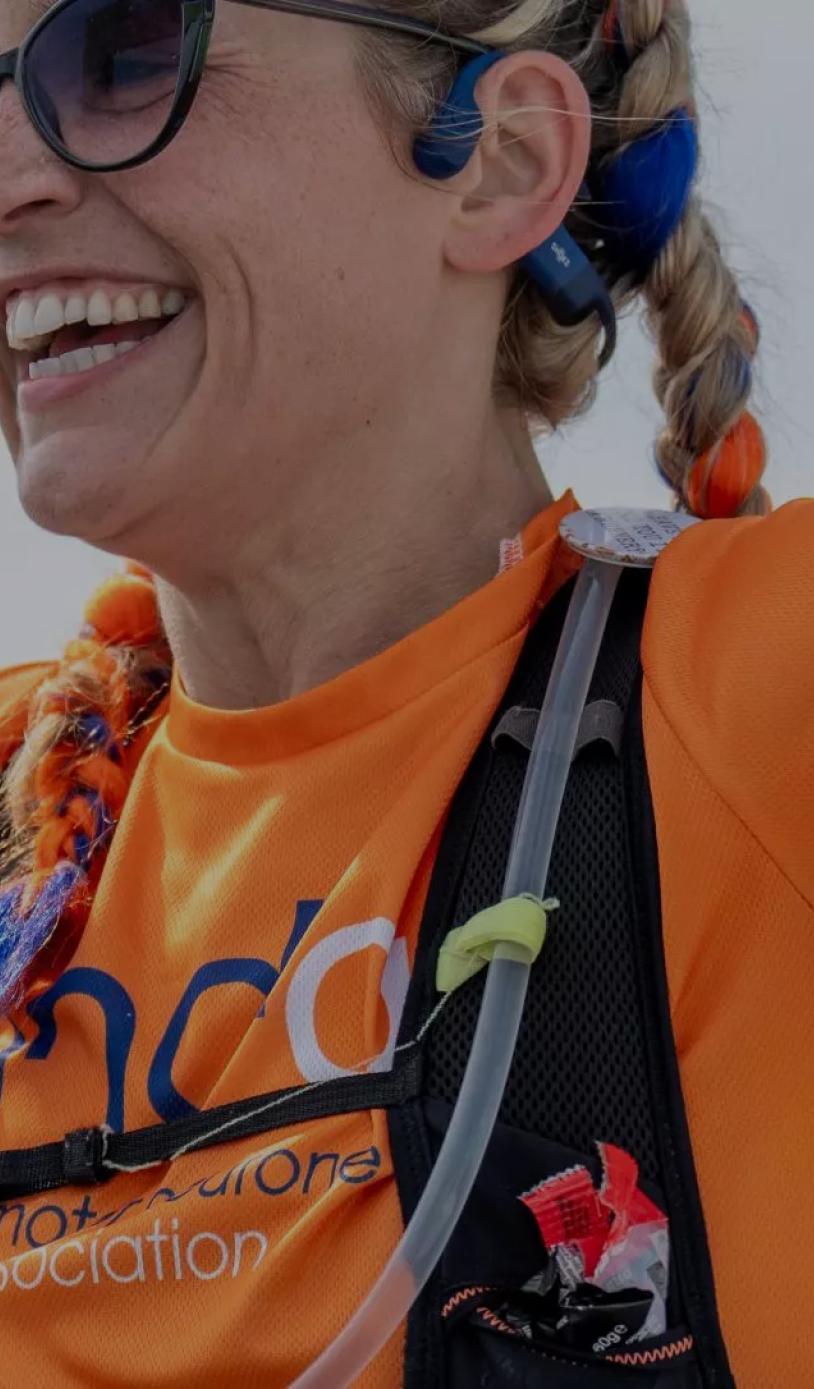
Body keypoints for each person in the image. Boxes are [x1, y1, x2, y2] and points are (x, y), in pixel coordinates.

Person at [0, 0, 810, 1384]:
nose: (10, 169)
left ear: (497, 161)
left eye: (123, 50)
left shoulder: (751, 686)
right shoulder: (28, 794)